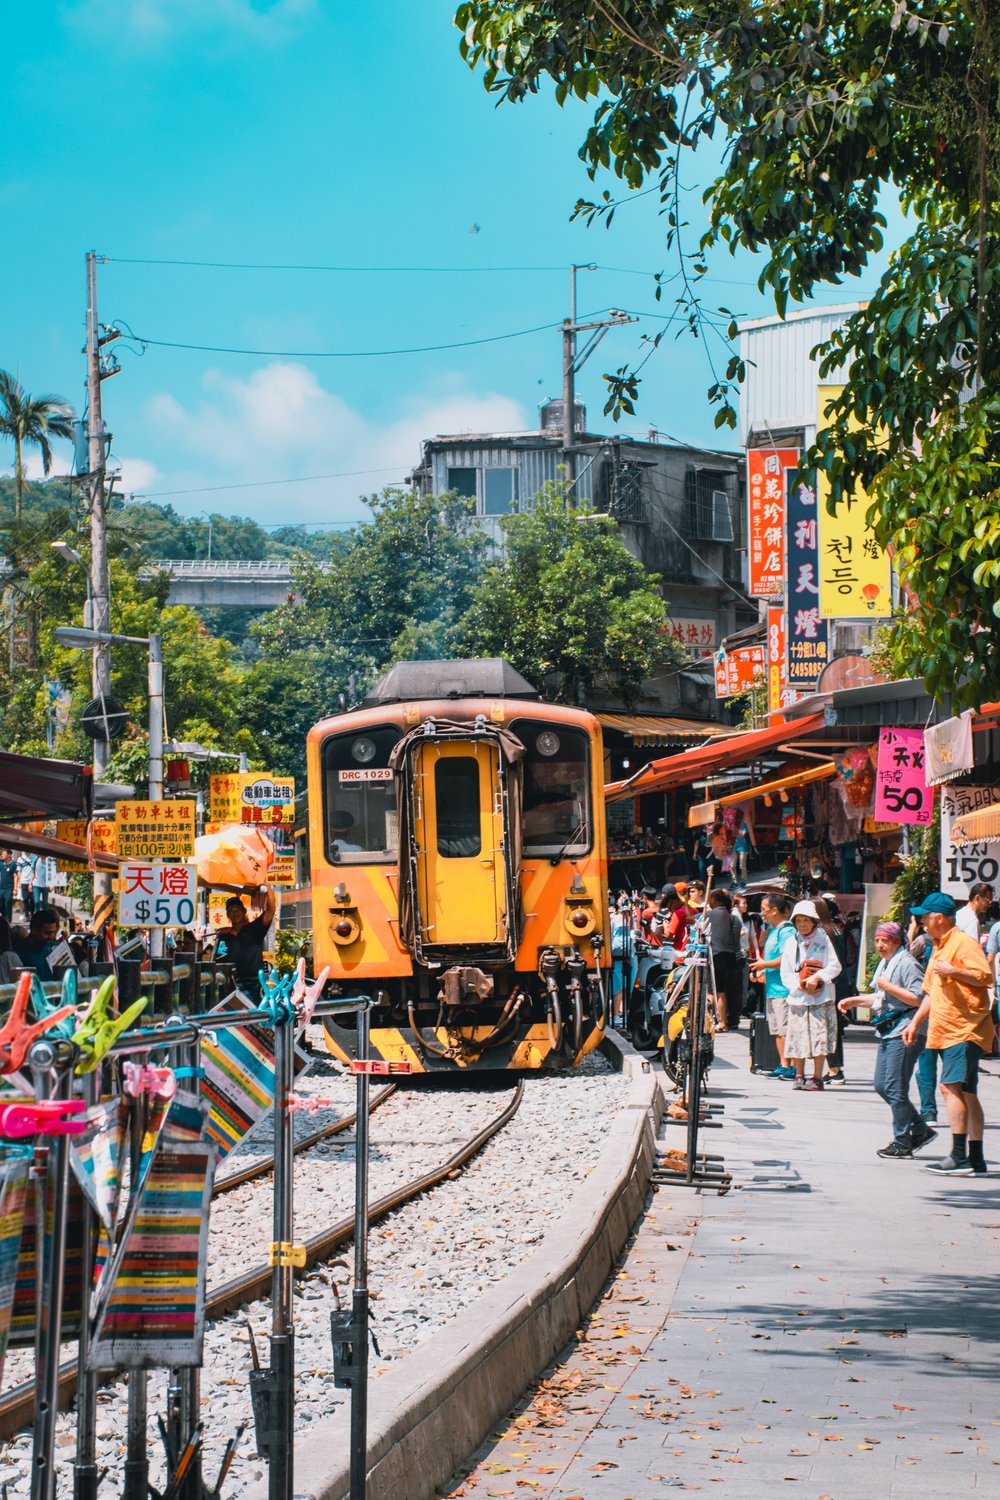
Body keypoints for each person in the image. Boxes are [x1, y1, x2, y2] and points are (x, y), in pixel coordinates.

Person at [903, 891, 995, 1175]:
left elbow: (985, 976)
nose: (921, 923)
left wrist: (954, 970)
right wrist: (915, 1023)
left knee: (949, 1087)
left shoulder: (963, 944)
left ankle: (958, 1156)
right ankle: (976, 1158)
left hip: (964, 1029)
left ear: (939, 918)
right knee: (967, 1092)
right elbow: (931, 992)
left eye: (924, 918)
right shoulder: (939, 947)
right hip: (945, 1029)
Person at [839, 921, 936, 1158]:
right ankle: (920, 1129)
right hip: (889, 1030)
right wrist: (854, 1001)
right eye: (878, 940)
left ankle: (902, 1141)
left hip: (906, 1030)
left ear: (897, 941)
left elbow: (919, 999)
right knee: (882, 1086)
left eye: (886, 940)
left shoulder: (907, 963)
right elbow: (881, 997)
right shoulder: (887, 963)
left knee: (894, 1087)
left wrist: (889, 986)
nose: (880, 945)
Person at [780, 899, 842, 1091]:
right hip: (798, 998)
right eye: (798, 920)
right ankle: (799, 1074)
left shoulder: (824, 939)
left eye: (806, 920)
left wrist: (817, 977)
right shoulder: (791, 942)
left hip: (821, 997)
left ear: (814, 921)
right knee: (797, 1037)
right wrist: (800, 985)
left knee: (819, 1038)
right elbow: (785, 972)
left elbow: (835, 966)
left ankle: (817, 1077)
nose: (802, 924)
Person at [749, 892, 797, 1078]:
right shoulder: (774, 930)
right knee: (777, 1030)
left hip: (783, 989)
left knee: (785, 1030)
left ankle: (791, 1066)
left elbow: (786, 959)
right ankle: (783, 1064)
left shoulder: (786, 932)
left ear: (775, 910)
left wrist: (762, 965)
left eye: (764, 909)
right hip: (773, 988)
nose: (762, 913)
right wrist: (762, 971)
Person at [213, 887, 278, 1002]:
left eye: (237, 910)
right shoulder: (224, 937)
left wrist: (268, 886)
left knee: (252, 1013)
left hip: (254, 984)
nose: (235, 913)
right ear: (228, 916)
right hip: (231, 985)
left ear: (244, 911)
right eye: (231, 911)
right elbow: (220, 961)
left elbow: (271, 910)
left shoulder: (255, 928)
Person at [706, 888, 743, 1031]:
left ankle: (720, 1021)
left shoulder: (709, 915)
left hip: (717, 957)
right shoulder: (734, 918)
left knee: (715, 991)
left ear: (715, 900)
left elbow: (692, 918)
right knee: (732, 992)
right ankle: (731, 1020)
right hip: (733, 958)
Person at [12, 907, 62, 982]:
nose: (51, 937)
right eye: (47, 933)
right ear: (34, 929)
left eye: (53, 932)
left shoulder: (57, 949)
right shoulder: (17, 954)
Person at [732, 814, 755, 888]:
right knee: (732, 865)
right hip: (734, 846)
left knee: (742, 865)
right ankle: (734, 881)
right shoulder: (732, 824)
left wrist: (735, 831)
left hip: (743, 846)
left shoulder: (744, 823)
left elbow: (742, 834)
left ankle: (743, 881)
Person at [0, 851, 16, 922]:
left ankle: (9, 919)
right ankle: (3, 919)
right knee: (1, 904)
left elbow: (15, 876)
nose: (2, 855)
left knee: (8, 903)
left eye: (4, 854)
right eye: (2, 854)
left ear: (9, 855)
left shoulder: (13, 864)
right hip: (1, 888)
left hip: (9, 888)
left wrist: (15, 888)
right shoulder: (1, 864)